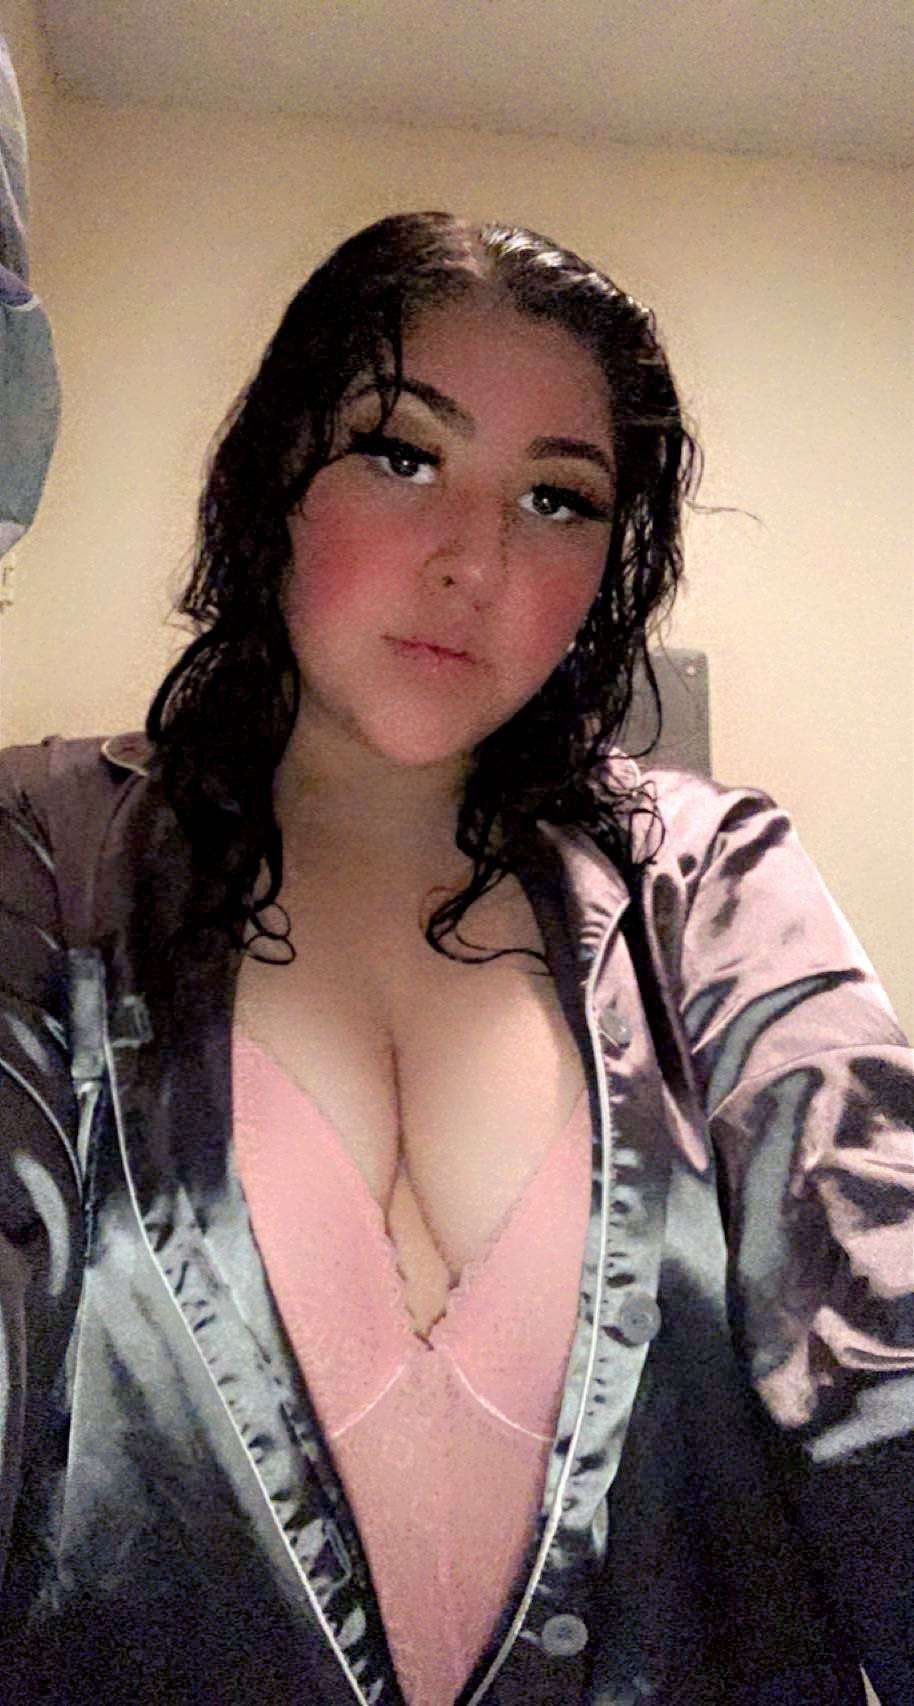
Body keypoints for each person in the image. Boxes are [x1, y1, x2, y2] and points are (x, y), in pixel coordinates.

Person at [0, 210, 911, 1706]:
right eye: (401, 455)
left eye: (557, 498)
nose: (474, 561)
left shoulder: (708, 881)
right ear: (275, 475)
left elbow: (882, 1323)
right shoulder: (43, 859)